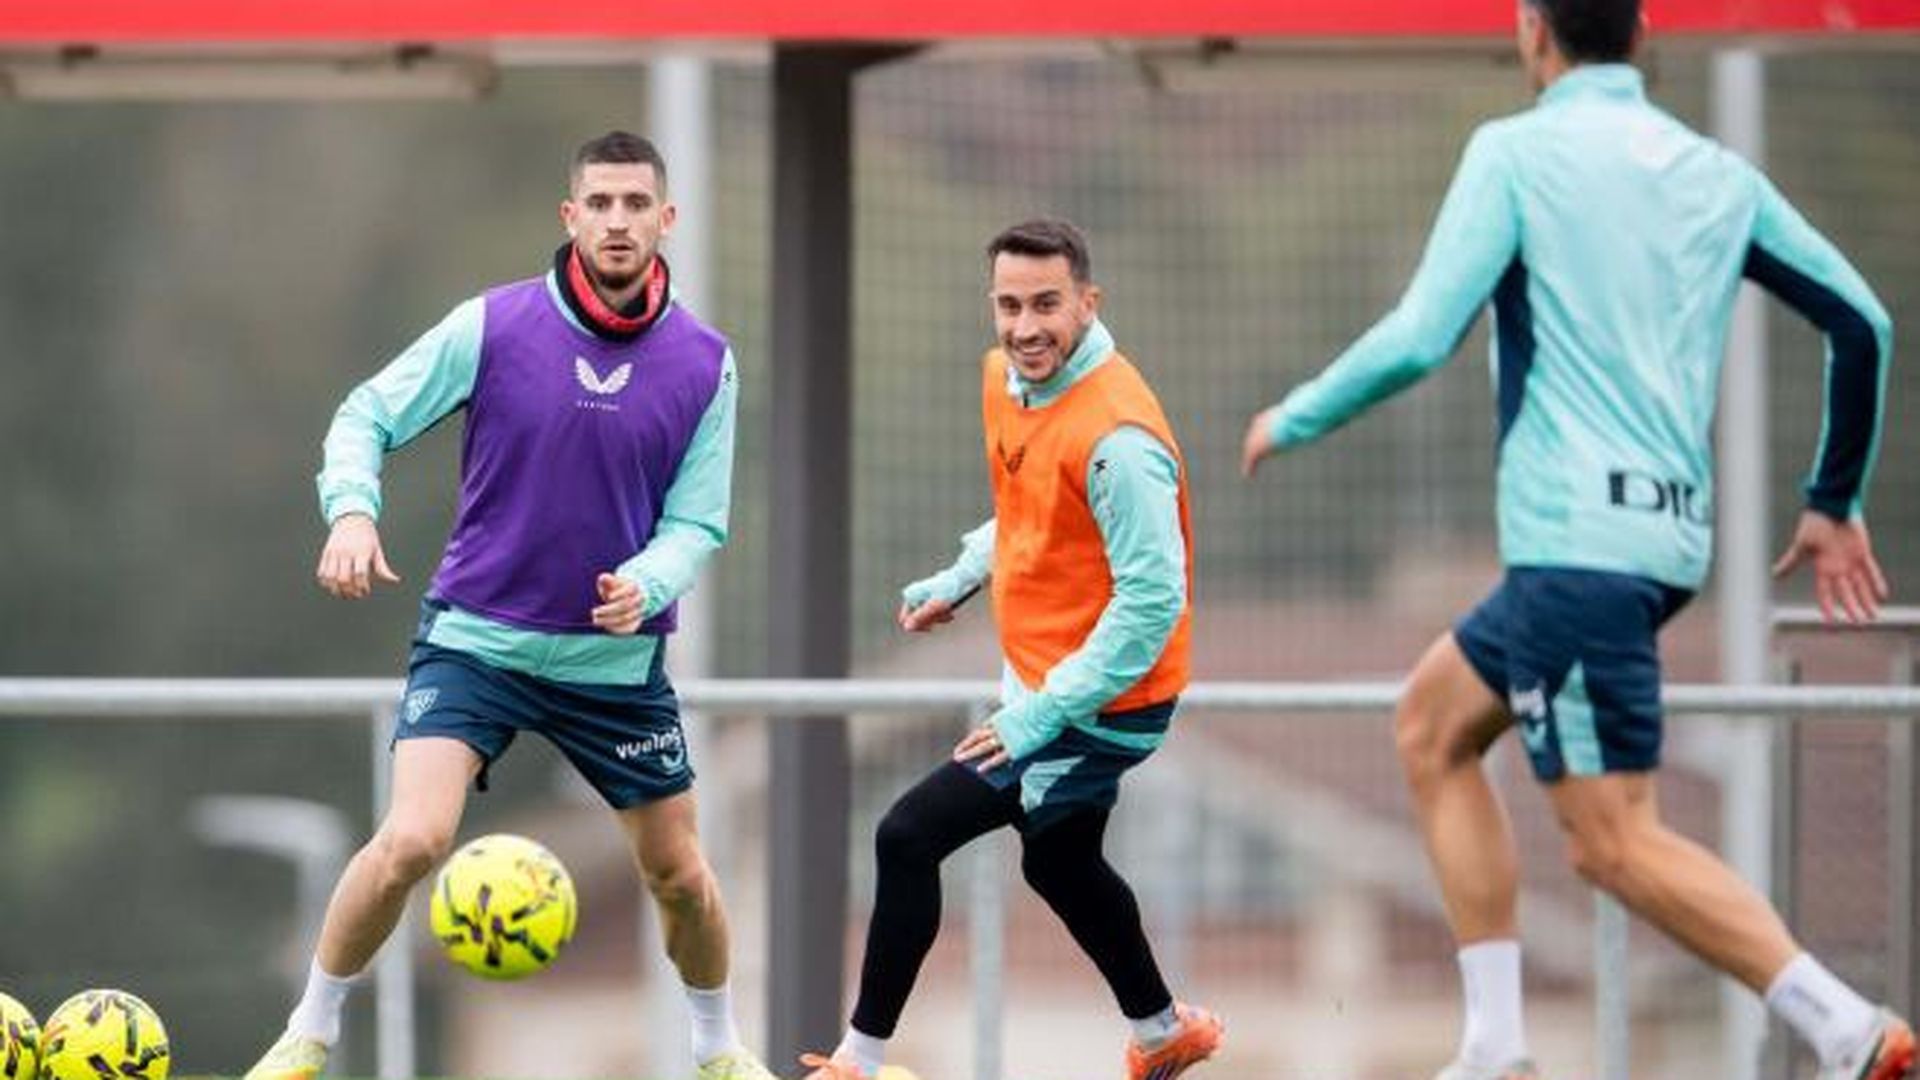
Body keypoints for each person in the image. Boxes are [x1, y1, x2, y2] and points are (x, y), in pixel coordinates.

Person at [1239, 3, 1910, 1078]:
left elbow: (1421, 335)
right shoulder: (1713, 172)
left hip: (1574, 552)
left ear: (1530, 34)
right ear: (1644, 33)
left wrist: (1296, 414)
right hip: (1655, 548)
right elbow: (1860, 321)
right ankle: (1496, 1046)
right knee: (1433, 725)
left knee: (1615, 842)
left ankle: (1844, 1026)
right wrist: (1832, 499)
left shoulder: (1514, 152)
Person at [243, 131, 774, 1080]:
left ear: (666, 220)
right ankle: (307, 1036)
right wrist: (353, 513)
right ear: (571, 217)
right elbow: (365, 413)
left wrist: (646, 582)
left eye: (635, 204)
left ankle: (718, 1050)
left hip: (614, 668)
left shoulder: (705, 363)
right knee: (412, 839)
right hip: (476, 644)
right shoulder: (492, 326)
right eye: (600, 204)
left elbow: (700, 522)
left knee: (681, 877)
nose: (618, 221)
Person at [800, 219, 1225, 1080]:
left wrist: (1040, 714)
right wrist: (959, 576)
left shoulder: (1123, 443)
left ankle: (859, 1063)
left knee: (907, 835)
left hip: (1108, 701)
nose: (1026, 327)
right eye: (1008, 305)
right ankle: (1161, 1032)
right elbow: (1032, 508)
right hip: (1053, 684)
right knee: (1060, 860)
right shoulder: (1008, 379)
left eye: (1046, 305)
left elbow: (1151, 607)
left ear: (1088, 302)